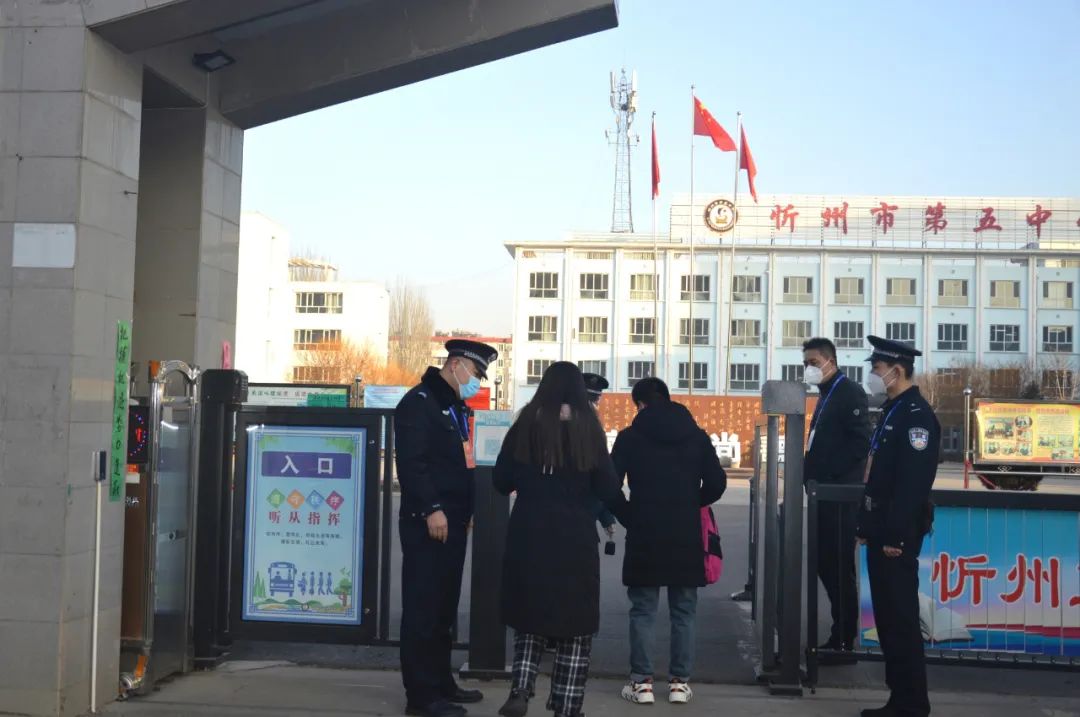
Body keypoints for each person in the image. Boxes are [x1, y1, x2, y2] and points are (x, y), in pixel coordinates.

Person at [493, 362, 622, 717]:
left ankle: (521, 688)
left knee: (530, 613)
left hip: (529, 534)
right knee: (575, 623)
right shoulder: (588, 429)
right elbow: (608, 487)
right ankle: (567, 704)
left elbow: (501, 481)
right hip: (574, 537)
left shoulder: (524, 424)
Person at [395, 339, 498, 717]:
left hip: (453, 521)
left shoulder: (452, 406)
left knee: (443, 609)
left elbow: (461, 464)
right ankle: (421, 697)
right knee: (423, 609)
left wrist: (465, 512)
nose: (476, 381)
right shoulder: (418, 403)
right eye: (475, 373)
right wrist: (432, 509)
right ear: (455, 364)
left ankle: (441, 683)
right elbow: (413, 464)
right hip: (428, 522)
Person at [609, 378, 727, 705]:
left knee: (643, 609)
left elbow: (608, 484)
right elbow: (717, 482)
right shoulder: (696, 436)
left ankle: (642, 683)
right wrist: (692, 504)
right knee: (684, 610)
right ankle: (679, 684)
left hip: (645, 531)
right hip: (685, 533)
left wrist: (629, 515)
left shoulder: (630, 438)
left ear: (640, 404)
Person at [856, 336, 940, 717]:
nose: (873, 375)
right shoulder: (893, 410)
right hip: (881, 532)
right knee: (888, 620)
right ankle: (899, 698)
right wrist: (867, 526)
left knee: (901, 620)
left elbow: (911, 484)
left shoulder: (916, 416)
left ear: (896, 370)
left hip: (896, 537)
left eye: (876, 368)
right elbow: (878, 476)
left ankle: (911, 703)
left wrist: (895, 535)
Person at [801, 337, 872, 662]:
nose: (809, 369)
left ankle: (844, 639)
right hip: (822, 495)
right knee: (824, 564)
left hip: (838, 496)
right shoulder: (825, 395)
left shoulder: (849, 393)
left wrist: (828, 478)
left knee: (838, 566)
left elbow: (860, 444)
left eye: (814, 363)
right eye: (806, 364)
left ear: (831, 361)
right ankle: (839, 634)